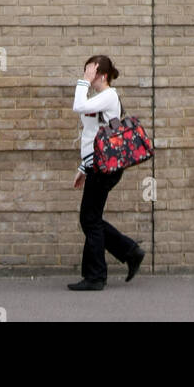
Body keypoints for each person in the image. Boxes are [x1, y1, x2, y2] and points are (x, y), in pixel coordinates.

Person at [67, 54, 145, 291]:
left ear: (101, 74)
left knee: (89, 219)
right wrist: (83, 167)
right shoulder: (99, 97)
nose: (86, 75)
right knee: (91, 218)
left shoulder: (109, 95)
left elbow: (78, 106)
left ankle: (97, 276)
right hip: (96, 165)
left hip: (105, 167)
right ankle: (129, 252)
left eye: (89, 71)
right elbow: (94, 135)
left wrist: (82, 82)